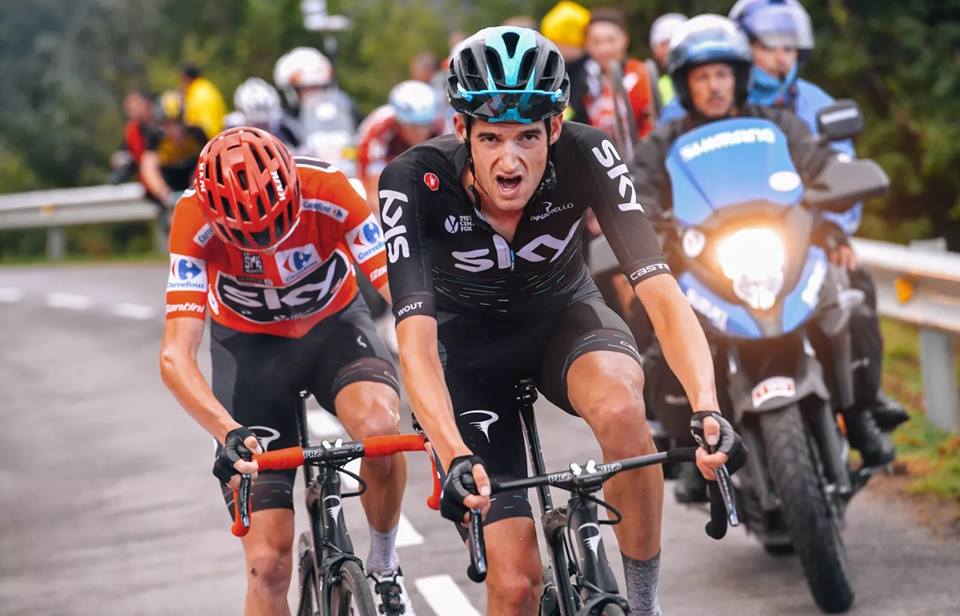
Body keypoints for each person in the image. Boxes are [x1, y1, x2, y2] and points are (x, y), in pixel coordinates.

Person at [379, 26, 744, 615]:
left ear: (554, 128)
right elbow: (415, 343)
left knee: (623, 410)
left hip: (562, 321)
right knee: (514, 586)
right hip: (466, 354)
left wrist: (707, 404)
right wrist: (452, 451)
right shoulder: (413, 180)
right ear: (461, 129)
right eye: (491, 137)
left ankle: (644, 604)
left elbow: (662, 294)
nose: (510, 160)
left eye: (528, 136)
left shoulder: (588, 151)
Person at [630, 15, 895, 500]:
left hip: (779, 253)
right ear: (686, 84)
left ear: (739, 77)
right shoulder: (660, 143)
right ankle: (683, 442)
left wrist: (834, 224)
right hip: (703, 263)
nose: (714, 86)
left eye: (722, 74)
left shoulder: (778, 124)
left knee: (853, 293)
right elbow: (636, 196)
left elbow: (819, 164)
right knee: (647, 313)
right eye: (702, 77)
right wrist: (649, 233)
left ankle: (860, 415)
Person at [159, 127, 414, 615]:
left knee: (381, 429)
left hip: (335, 330)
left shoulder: (331, 188)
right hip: (251, 352)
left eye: (276, 226)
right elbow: (175, 355)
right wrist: (226, 430)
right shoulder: (192, 218)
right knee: (267, 564)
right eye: (249, 238)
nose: (268, 245)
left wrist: (439, 390)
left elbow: (406, 299)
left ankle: (385, 566)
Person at [357, 80, 444, 213]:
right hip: (381, 170)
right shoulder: (380, 128)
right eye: (413, 126)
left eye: (425, 125)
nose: (420, 132)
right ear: (399, 121)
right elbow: (373, 184)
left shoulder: (440, 127)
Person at [570, 8, 655, 143]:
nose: (604, 49)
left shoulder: (641, 76)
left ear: (625, 39)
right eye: (596, 42)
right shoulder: (583, 81)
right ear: (587, 44)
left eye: (610, 40)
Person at [138, 90, 207, 227]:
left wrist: (197, 185)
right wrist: (162, 192)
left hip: (191, 174)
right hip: (168, 178)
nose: (174, 129)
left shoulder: (197, 133)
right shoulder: (156, 137)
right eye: (167, 124)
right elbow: (148, 167)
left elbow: (208, 160)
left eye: (177, 122)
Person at [225, 77, 303, 150]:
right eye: (257, 124)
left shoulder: (286, 128)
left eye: (265, 124)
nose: (262, 130)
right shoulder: (230, 132)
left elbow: (301, 149)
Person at [109, 90, 154, 184]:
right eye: (128, 109)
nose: (131, 112)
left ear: (146, 104)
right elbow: (122, 152)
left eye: (134, 107)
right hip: (146, 182)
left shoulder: (162, 125)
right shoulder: (132, 130)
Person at [648, 13, 688, 110]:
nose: (670, 49)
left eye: (677, 42)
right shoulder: (655, 87)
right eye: (664, 43)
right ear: (654, 51)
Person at [180, 64, 227, 140]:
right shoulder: (209, 87)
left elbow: (198, 126)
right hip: (220, 137)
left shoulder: (194, 92)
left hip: (207, 140)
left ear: (187, 78)